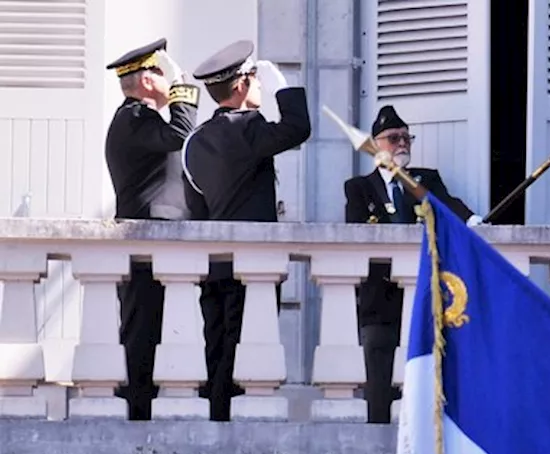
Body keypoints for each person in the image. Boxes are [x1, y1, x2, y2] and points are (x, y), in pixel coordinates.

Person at [182, 40, 311, 421]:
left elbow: (197, 209)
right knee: (249, 353)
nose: (259, 85)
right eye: (254, 78)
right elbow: (297, 128)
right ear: (239, 86)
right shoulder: (247, 129)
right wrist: (283, 87)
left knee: (217, 352)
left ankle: (215, 424)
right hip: (251, 266)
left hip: (214, 268)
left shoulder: (196, 140)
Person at [343, 104, 476, 424]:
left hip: (426, 297)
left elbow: (449, 207)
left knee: (425, 383)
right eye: (393, 138)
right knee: (379, 379)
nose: (402, 143)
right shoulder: (359, 187)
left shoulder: (425, 180)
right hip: (380, 300)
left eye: (406, 138)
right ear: (375, 145)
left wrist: (474, 220)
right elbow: (355, 235)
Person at [104, 38, 200, 420]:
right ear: (147, 81)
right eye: (162, 73)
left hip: (155, 239)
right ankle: (136, 414)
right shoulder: (134, 118)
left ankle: (142, 408)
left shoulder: (139, 119)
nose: (169, 80)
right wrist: (182, 86)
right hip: (145, 239)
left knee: (154, 329)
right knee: (142, 332)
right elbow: (180, 134)